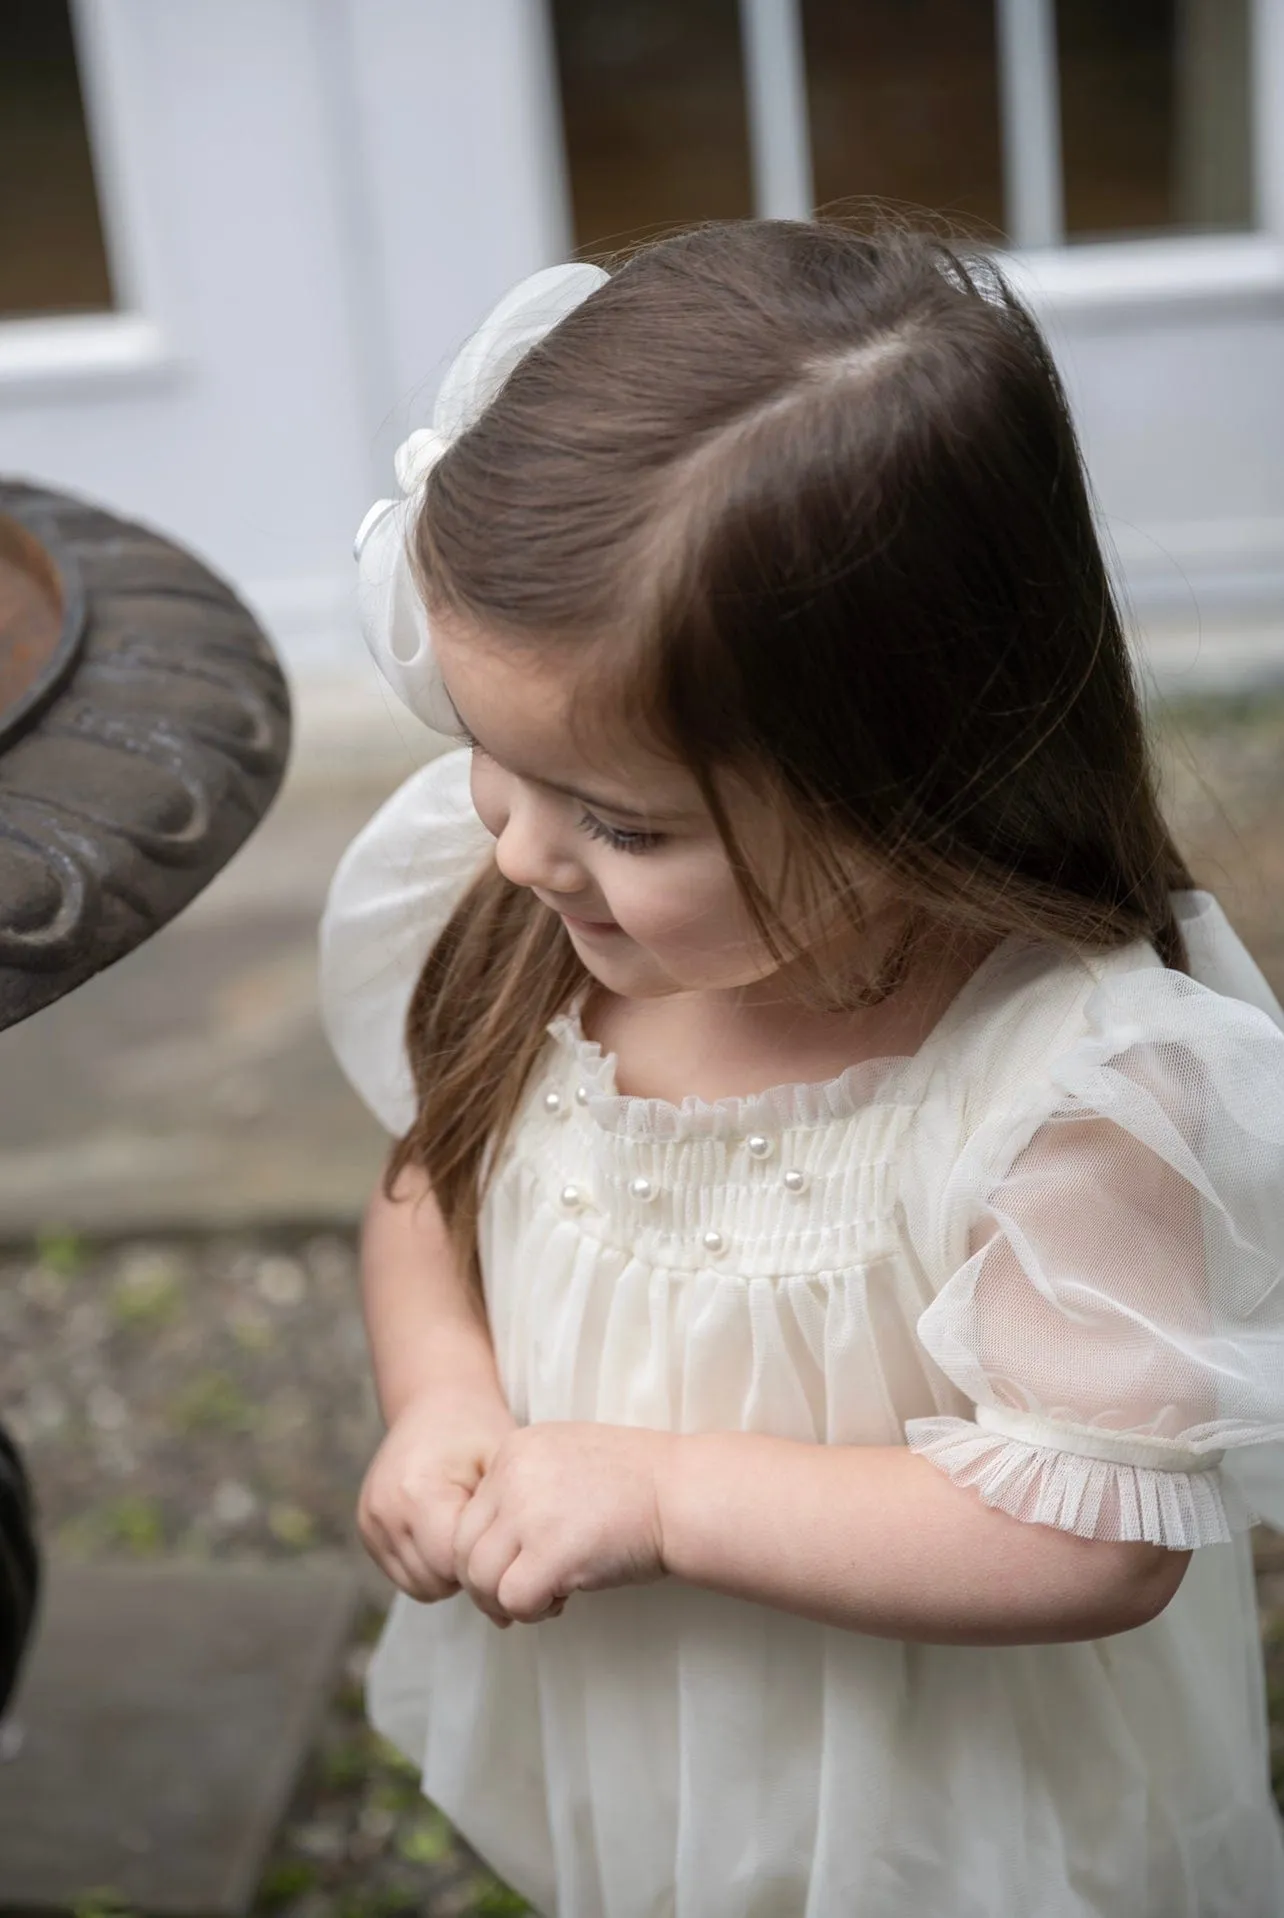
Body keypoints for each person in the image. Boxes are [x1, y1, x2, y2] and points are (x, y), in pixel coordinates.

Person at [319, 221, 1284, 1917]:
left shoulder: (1069, 1084)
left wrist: (668, 1491)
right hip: (654, 1724)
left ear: (913, 770)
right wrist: (448, 1394)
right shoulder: (554, 926)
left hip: (954, 1808)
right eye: (490, 753)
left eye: (623, 820)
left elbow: (1099, 1533)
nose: (527, 846)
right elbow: (428, 1190)